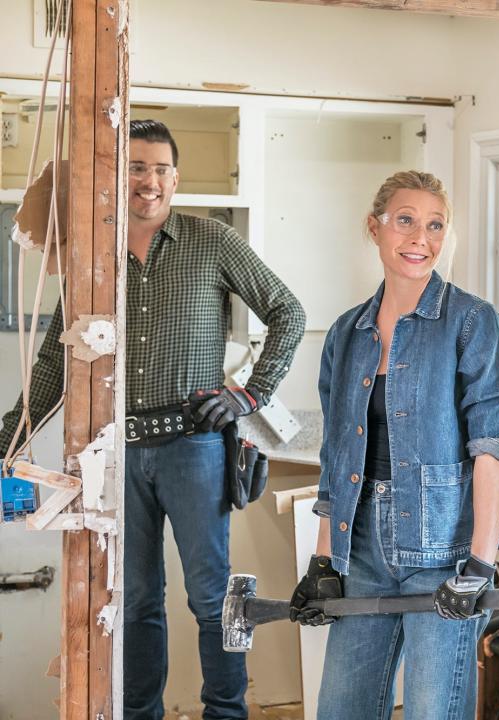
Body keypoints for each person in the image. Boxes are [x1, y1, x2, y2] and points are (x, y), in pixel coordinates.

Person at [0, 119, 306, 719]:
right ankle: (141, 716)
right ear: (118, 177)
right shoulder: (92, 253)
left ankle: (225, 713)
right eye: (136, 167)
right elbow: (54, 359)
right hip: (119, 454)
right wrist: (13, 429)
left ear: (176, 177)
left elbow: (288, 313)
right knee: (135, 600)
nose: (149, 181)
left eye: (161, 169)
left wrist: (249, 394)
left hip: (196, 448)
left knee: (212, 597)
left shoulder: (211, 242)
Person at [288, 170, 499, 720]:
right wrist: (324, 561)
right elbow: (338, 457)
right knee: (341, 710)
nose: (421, 238)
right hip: (363, 550)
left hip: (445, 554)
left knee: (432, 712)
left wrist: (481, 566)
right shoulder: (348, 333)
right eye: (405, 221)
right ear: (374, 228)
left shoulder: (471, 323)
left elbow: (491, 448)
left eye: (435, 225)